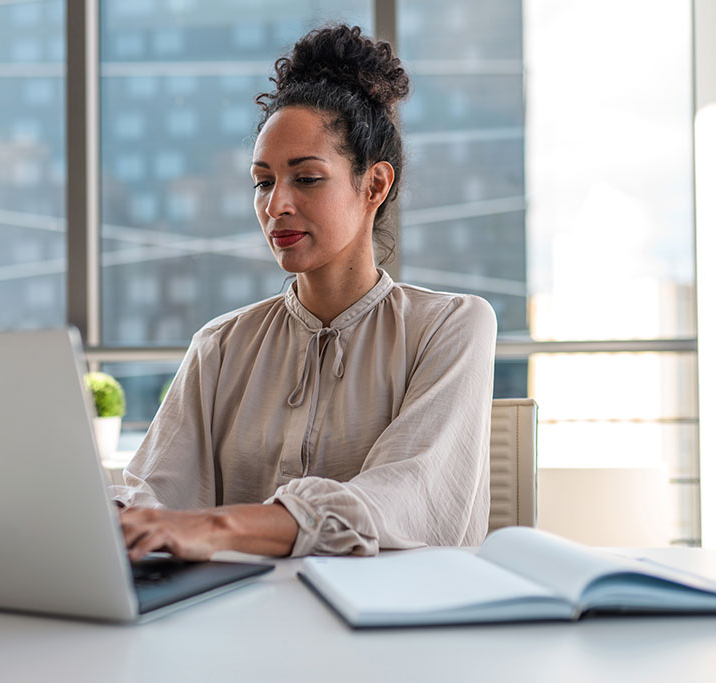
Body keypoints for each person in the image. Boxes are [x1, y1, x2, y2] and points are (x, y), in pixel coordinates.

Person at [111, 24, 497, 561]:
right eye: (263, 181)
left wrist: (219, 528)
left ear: (375, 185)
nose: (276, 205)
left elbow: (407, 498)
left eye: (307, 178)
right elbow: (155, 493)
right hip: (243, 626)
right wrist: (113, 517)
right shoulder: (220, 345)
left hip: (398, 631)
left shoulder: (452, 326)